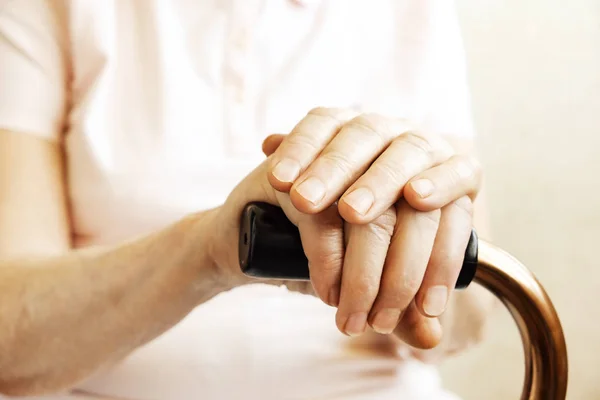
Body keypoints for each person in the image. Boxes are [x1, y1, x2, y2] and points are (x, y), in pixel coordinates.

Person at [0, 0, 495, 399]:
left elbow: (470, 319)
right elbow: (10, 337)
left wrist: (414, 270)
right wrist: (211, 250)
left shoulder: (411, 11)